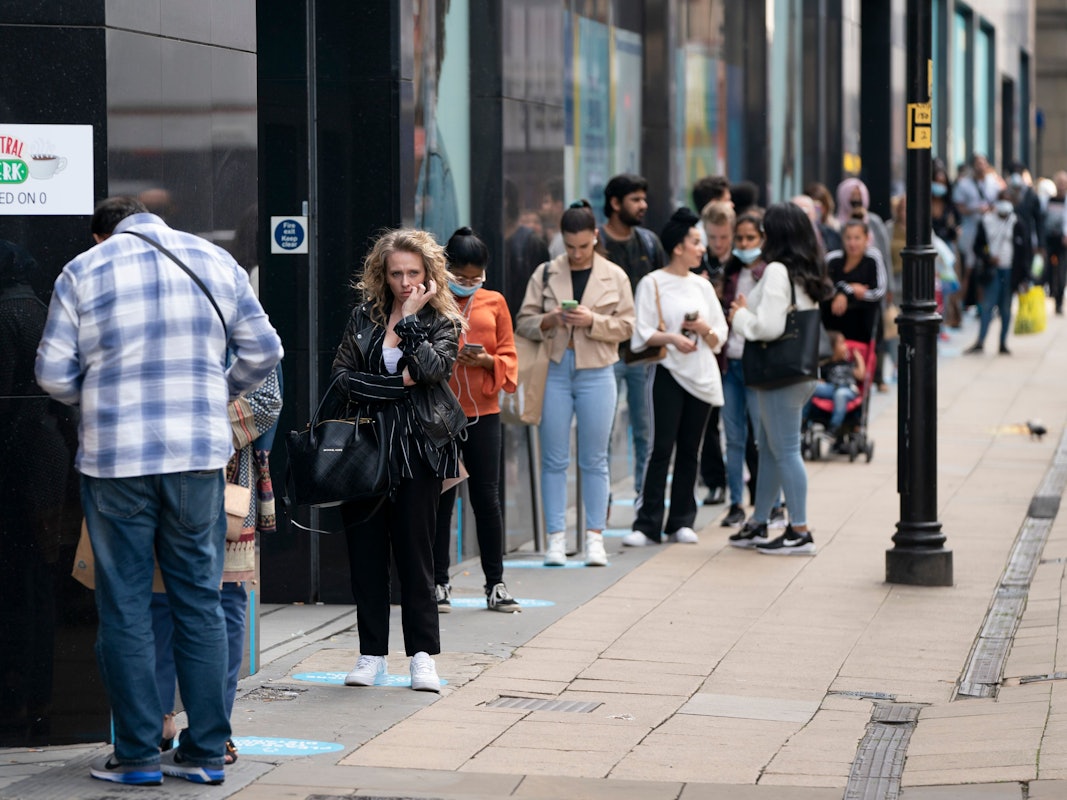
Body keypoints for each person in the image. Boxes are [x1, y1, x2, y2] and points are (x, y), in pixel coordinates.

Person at [35, 196, 283, 786]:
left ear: (106, 232)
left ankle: (139, 755)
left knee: (124, 606)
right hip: (198, 458)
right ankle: (204, 753)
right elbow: (265, 351)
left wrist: (94, 397)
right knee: (198, 599)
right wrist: (212, 393)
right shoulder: (214, 261)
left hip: (115, 459)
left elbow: (50, 373)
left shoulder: (84, 269)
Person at [331, 228, 468, 694]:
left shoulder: (442, 320)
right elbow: (343, 379)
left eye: (413, 273)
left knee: (416, 556)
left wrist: (409, 320)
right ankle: (371, 654)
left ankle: (422, 657)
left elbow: (431, 371)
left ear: (429, 274)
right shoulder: (363, 317)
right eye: (396, 274)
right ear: (382, 275)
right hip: (364, 451)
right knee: (365, 555)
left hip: (418, 451)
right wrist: (397, 385)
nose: (405, 282)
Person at [152, 368, 282, 765]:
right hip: (159, 476)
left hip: (227, 486)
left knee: (225, 600)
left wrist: (192, 427)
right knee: (158, 601)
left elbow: (267, 400)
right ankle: (157, 720)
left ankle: (213, 730)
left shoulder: (239, 313)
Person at [516, 200, 635, 567]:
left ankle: (594, 538)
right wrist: (551, 318)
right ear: (561, 241)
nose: (577, 253)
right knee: (553, 457)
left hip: (598, 369)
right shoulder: (547, 272)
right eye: (570, 246)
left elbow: (628, 327)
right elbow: (523, 321)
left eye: (584, 246)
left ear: (595, 237)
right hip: (554, 367)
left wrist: (592, 321)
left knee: (594, 458)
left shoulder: (615, 275)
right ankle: (556, 538)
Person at [728, 203, 830, 555]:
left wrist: (740, 317)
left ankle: (798, 529)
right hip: (799, 372)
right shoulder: (806, 271)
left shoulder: (776, 270)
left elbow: (768, 327)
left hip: (779, 374)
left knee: (784, 450)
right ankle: (760, 521)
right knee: (771, 448)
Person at [622, 208, 727, 547]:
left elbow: (720, 335)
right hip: (668, 372)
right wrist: (673, 339)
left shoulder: (703, 285)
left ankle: (681, 520)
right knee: (661, 447)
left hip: (701, 374)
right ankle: (647, 522)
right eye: (696, 242)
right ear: (678, 247)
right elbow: (642, 332)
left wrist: (703, 329)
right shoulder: (653, 282)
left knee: (690, 450)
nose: (702, 249)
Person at [433, 227, 520, 613]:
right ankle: (438, 582)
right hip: (440, 413)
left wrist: (486, 361)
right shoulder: (434, 300)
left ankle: (495, 583)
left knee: (487, 498)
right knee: (441, 500)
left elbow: (509, 354)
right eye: (461, 278)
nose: (468, 284)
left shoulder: (495, 301)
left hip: (484, 412)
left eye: (476, 278)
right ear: (446, 270)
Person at [597, 174, 666, 498]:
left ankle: (645, 499)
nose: (643, 205)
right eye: (635, 199)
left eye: (644, 198)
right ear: (615, 203)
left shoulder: (649, 243)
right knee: (603, 432)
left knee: (645, 431)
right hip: (605, 351)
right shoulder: (596, 245)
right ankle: (603, 500)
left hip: (642, 352)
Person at [718, 212, 767, 528]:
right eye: (741, 239)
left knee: (762, 437)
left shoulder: (769, 276)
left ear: (762, 240)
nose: (745, 244)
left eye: (751, 238)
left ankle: (769, 503)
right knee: (734, 438)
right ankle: (735, 502)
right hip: (729, 363)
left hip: (756, 364)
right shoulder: (731, 274)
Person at [694, 201, 734, 505]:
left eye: (724, 237)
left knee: (738, 424)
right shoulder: (698, 262)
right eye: (713, 238)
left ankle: (746, 482)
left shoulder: (742, 264)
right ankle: (715, 481)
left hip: (737, 351)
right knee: (708, 423)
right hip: (708, 353)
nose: (718, 244)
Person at [967, 189, 1033, 356]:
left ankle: (1003, 343)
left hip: (1011, 271)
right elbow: (977, 246)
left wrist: (1025, 277)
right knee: (987, 306)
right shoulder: (987, 221)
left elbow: (1025, 252)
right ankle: (980, 341)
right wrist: (988, 257)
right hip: (993, 271)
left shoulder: (1017, 223)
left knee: (1006, 308)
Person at [822, 218, 887, 345]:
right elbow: (823, 289)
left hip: (865, 331)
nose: (852, 243)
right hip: (835, 331)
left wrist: (846, 292)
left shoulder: (873, 258)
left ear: (866, 238)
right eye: (848, 238)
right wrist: (845, 291)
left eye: (857, 238)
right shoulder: (832, 259)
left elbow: (879, 291)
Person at [953, 153, 1003, 310]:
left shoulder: (993, 182)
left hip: (989, 231)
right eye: (977, 163)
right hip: (971, 230)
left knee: (987, 268)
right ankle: (962, 304)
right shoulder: (964, 184)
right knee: (967, 268)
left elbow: (1001, 200)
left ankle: (984, 306)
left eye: (983, 162)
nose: (980, 166)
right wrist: (975, 209)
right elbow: (959, 207)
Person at [805, 330, 865, 436]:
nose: (846, 346)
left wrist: (859, 358)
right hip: (831, 388)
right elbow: (820, 379)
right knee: (809, 387)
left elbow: (860, 375)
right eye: (841, 343)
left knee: (840, 394)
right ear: (832, 347)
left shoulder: (848, 364)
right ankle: (804, 420)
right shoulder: (827, 365)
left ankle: (833, 427)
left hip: (848, 389)